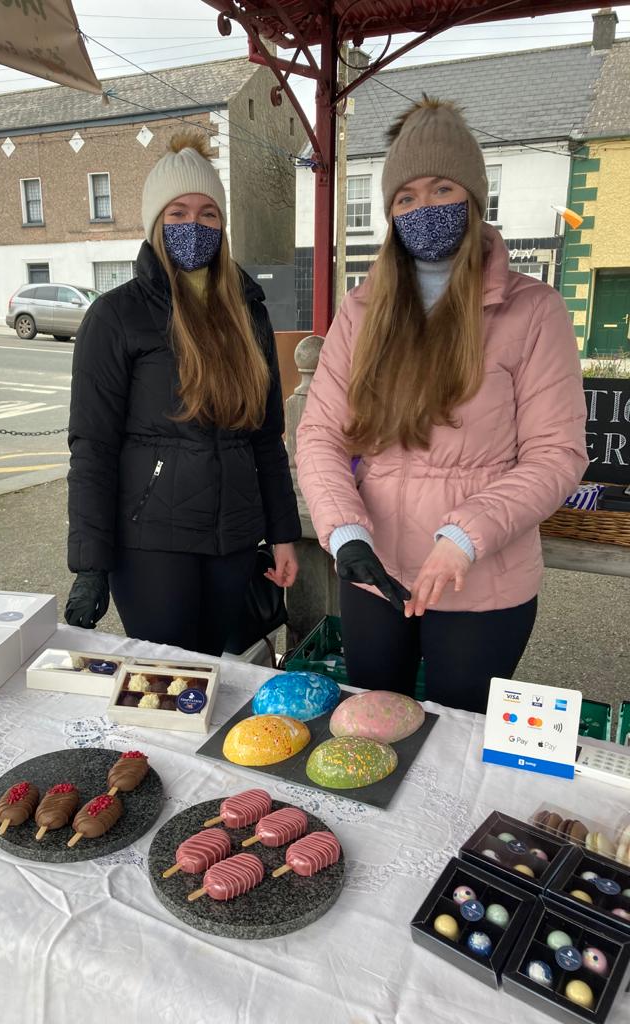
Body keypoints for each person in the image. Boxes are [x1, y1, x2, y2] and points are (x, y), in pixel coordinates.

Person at [296, 98, 588, 714]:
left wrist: (466, 533)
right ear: (390, 213)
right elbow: (322, 434)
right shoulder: (360, 311)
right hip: (375, 576)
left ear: (474, 197)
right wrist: (343, 530)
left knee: (457, 742)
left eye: (442, 188)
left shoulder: (535, 311)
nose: (423, 208)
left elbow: (556, 455)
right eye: (406, 197)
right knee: (369, 728)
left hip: (484, 580)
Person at [65, 131, 300, 656]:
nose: (194, 225)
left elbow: (267, 436)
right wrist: (89, 565)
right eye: (177, 213)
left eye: (208, 213)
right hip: (151, 542)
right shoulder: (116, 315)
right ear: (154, 224)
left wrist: (282, 533)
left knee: (212, 671)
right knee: (164, 679)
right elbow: (92, 447)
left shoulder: (249, 312)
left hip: (233, 541)